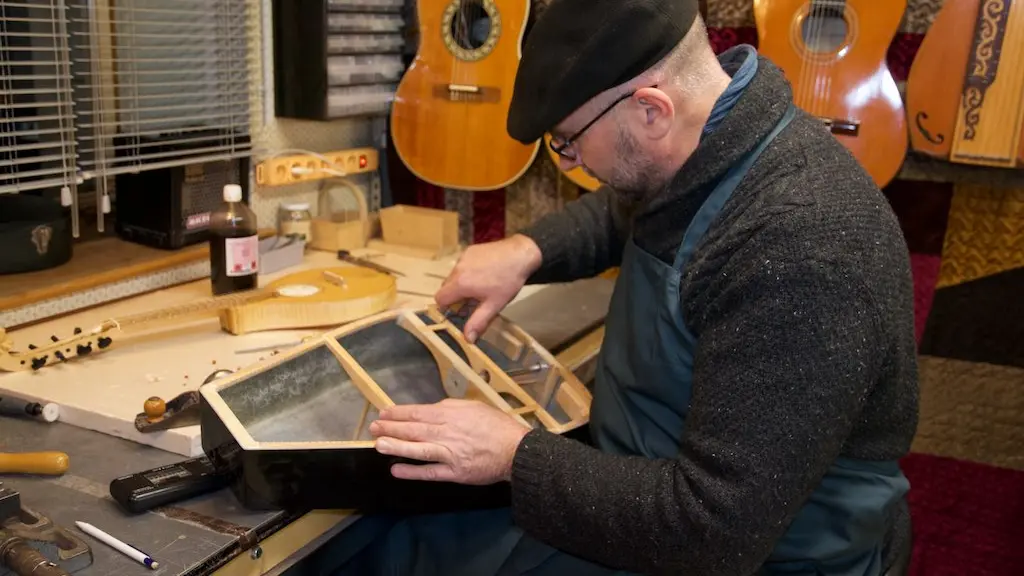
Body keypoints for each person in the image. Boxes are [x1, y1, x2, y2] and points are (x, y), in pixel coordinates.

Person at [312, 0, 919, 574]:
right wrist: (528, 250)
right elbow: (623, 208)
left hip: (750, 553)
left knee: (391, 554)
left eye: (569, 141)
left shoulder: (801, 248)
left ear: (652, 109)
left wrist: (514, 456)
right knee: (385, 531)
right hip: (648, 492)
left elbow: (713, 532)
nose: (569, 163)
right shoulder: (713, 137)